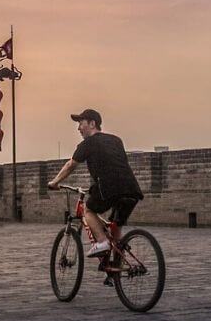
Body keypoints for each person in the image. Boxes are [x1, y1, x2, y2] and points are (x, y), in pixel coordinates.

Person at [47, 108, 143, 257]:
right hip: (132, 189)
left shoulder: (88, 143)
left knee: (88, 210)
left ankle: (102, 241)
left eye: (81, 123)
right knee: (116, 227)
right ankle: (116, 269)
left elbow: (70, 165)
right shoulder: (116, 140)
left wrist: (54, 182)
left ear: (92, 124)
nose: (78, 128)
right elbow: (116, 163)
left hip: (110, 187)